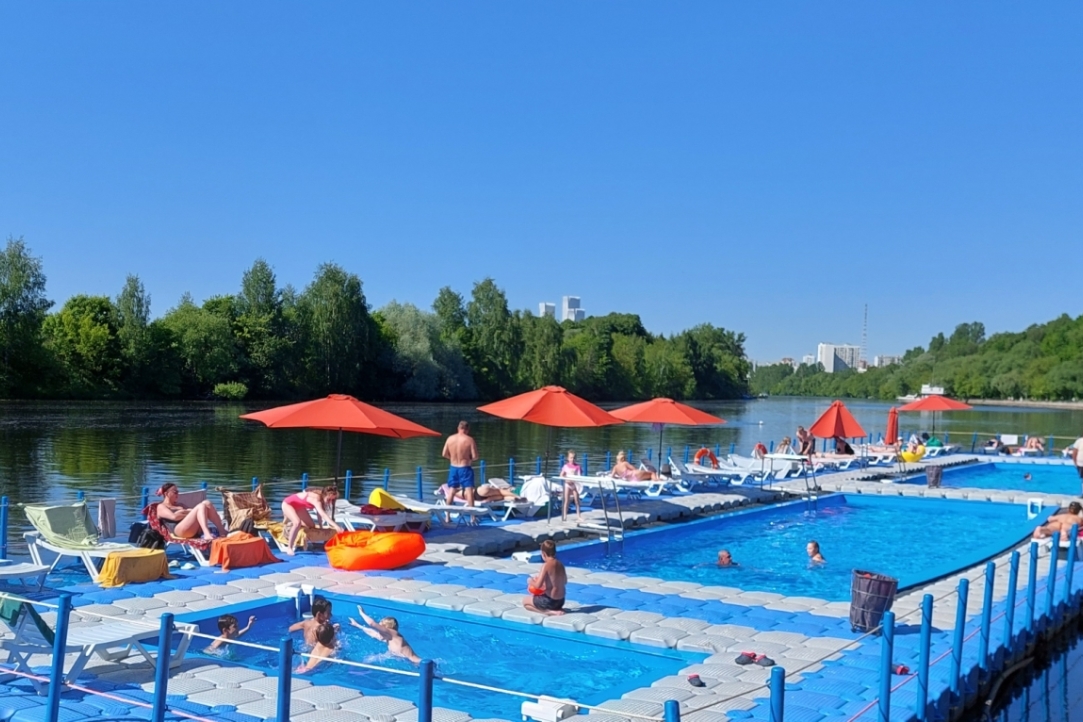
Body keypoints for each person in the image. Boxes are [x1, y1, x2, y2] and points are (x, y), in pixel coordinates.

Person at [350, 604, 421, 664]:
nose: (379, 631)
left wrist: (362, 613)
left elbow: (372, 624)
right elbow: (373, 633)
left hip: (418, 662)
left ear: (386, 628)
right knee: (370, 658)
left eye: (380, 628)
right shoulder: (389, 638)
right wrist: (357, 625)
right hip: (404, 659)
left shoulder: (393, 634)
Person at [281, 486, 342, 555]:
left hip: (299, 507)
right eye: (329, 499)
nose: (330, 502)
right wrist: (336, 526)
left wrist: (321, 528)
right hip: (288, 504)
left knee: (311, 526)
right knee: (297, 522)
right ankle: (289, 548)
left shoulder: (321, 500)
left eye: (332, 500)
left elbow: (319, 515)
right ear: (326, 495)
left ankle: (293, 522)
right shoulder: (316, 499)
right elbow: (323, 515)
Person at [155, 482, 227, 540]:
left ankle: (222, 531)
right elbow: (174, 517)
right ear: (166, 494)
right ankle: (207, 534)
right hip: (178, 530)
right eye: (175, 492)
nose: (177, 494)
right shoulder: (161, 506)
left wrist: (182, 512)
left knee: (207, 503)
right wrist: (187, 512)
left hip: (190, 529)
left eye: (178, 491)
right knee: (201, 506)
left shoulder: (180, 504)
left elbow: (193, 512)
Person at [523, 540, 567, 616]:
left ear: (543, 554)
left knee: (525, 602)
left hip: (550, 602)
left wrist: (530, 581)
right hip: (561, 601)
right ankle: (556, 609)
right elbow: (564, 581)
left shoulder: (546, 566)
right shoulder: (561, 564)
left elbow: (538, 585)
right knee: (540, 597)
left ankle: (549, 612)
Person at [442, 421, 479, 512]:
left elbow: (444, 454)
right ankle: (472, 516)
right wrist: (469, 459)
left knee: (452, 490)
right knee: (469, 490)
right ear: (467, 430)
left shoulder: (450, 438)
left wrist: (452, 458)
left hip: (453, 467)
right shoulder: (469, 440)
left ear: (458, 428)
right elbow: (475, 457)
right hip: (465, 467)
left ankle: (447, 516)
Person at [559, 450, 583, 522]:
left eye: (574, 458)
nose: (572, 459)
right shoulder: (565, 466)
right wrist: (566, 480)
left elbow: (579, 476)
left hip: (574, 484)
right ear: (568, 458)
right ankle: (564, 515)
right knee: (566, 500)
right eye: (571, 458)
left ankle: (578, 516)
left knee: (576, 500)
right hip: (567, 484)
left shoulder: (577, 466)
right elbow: (561, 475)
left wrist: (576, 481)